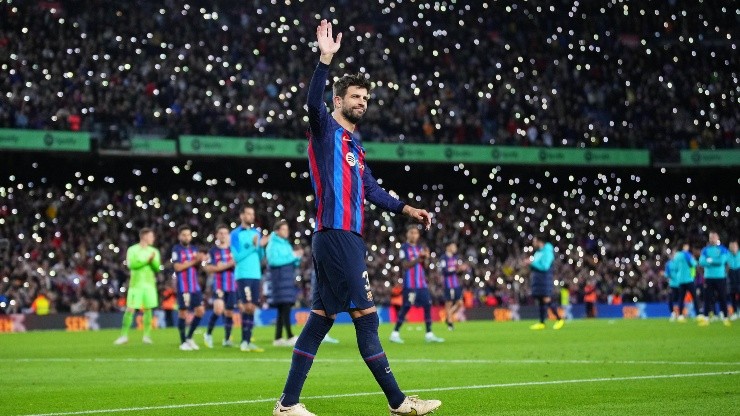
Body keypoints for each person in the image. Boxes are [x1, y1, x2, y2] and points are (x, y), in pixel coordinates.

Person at [272, 20, 441, 416]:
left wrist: (408, 209)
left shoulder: (355, 145)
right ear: (339, 99)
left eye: (366, 97)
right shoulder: (325, 129)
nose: (362, 102)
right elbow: (312, 102)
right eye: (355, 96)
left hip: (342, 235)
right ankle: (399, 402)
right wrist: (324, 60)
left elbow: (372, 190)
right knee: (367, 317)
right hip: (337, 234)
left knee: (320, 320)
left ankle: (288, 404)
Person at [389, 226, 445, 343]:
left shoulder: (420, 248)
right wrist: (419, 259)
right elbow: (405, 265)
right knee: (406, 306)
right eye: (412, 232)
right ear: (407, 234)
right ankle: (395, 333)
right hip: (410, 284)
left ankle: (429, 334)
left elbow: (424, 267)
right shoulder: (404, 248)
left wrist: (426, 259)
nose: (414, 235)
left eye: (416, 233)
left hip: (421, 284)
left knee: (428, 305)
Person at [231, 205, 269, 352]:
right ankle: (244, 341)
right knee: (246, 307)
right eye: (248, 214)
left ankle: (248, 340)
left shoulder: (256, 233)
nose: (251, 216)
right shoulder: (235, 234)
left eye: (252, 214)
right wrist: (254, 246)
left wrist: (260, 247)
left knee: (252, 308)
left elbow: (261, 257)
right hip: (243, 274)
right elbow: (236, 257)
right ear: (241, 216)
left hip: (255, 274)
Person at [114, 228, 160, 345]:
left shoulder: (154, 251)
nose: (153, 239)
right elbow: (131, 265)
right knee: (130, 309)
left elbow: (157, 267)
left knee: (148, 309)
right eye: (151, 236)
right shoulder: (132, 250)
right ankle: (124, 335)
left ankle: (146, 336)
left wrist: (152, 261)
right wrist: (147, 260)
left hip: (150, 285)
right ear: (144, 237)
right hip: (136, 285)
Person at [266, 219, 303, 347]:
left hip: (287, 278)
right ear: (277, 231)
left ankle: (278, 338)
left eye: (287, 229)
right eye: (283, 229)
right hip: (279, 279)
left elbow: (291, 261)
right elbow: (273, 261)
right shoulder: (272, 244)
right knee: (285, 307)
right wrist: (293, 257)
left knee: (283, 309)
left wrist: (297, 258)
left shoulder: (286, 244)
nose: (286, 232)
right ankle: (290, 336)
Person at [172, 224, 207, 350]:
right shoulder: (176, 249)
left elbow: (198, 267)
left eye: (188, 234)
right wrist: (194, 261)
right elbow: (177, 267)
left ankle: (189, 337)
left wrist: (202, 260)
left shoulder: (194, 249)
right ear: (179, 236)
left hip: (195, 286)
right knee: (183, 313)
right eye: (184, 235)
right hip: (183, 286)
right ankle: (183, 342)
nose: (186, 237)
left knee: (200, 311)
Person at [203, 224, 236, 348]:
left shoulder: (233, 250)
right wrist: (227, 265)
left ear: (228, 235)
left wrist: (222, 266)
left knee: (229, 313)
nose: (223, 235)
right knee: (218, 309)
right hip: (219, 284)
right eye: (220, 233)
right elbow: (209, 268)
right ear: (217, 235)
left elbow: (237, 264)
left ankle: (227, 339)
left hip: (232, 285)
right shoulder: (213, 251)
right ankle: (208, 334)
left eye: (225, 233)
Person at [523, 234, 564, 330]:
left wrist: (532, 263)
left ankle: (559, 319)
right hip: (537, 279)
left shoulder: (548, 252)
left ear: (539, 242)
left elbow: (545, 266)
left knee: (546, 299)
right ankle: (542, 322)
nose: (533, 243)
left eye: (534, 241)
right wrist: (529, 264)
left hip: (544, 279)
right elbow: (536, 265)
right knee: (541, 300)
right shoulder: (538, 253)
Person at [697, 231, 731, 326]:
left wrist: (710, 260)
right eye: (711, 237)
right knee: (707, 298)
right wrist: (713, 261)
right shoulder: (705, 250)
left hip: (720, 277)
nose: (712, 239)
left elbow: (722, 261)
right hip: (709, 277)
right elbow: (702, 262)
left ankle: (725, 317)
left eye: (714, 237)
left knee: (722, 297)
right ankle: (706, 318)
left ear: (717, 238)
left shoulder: (723, 249)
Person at [669, 243, 700, 322]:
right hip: (688, 279)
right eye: (687, 246)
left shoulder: (676, 256)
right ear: (684, 246)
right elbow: (693, 263)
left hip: (680, 280)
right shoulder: (686, 254)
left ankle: (680, 315)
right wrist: (694, 261)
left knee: (681, 298)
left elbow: (675, 268)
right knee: (694, 297)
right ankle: (698, 314)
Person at [438, 241, 465, 330]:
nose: (455, 248)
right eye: (453, 246)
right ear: (448, 247)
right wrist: (456, 269)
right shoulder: (443, 258)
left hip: (455, 283)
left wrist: (461, 270)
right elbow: (444, 271)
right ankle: (450, 323)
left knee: (460, 303)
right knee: (449, 303)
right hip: (448, 284)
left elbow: (456, 271)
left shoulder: (455, 258)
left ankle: (447, 317)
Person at [728, 240, 740, 321]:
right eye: (731, 246)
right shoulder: (727, 255)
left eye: (734, 246)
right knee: (732, 295)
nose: (733, 248)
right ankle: (735, 312)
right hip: (731, 276)